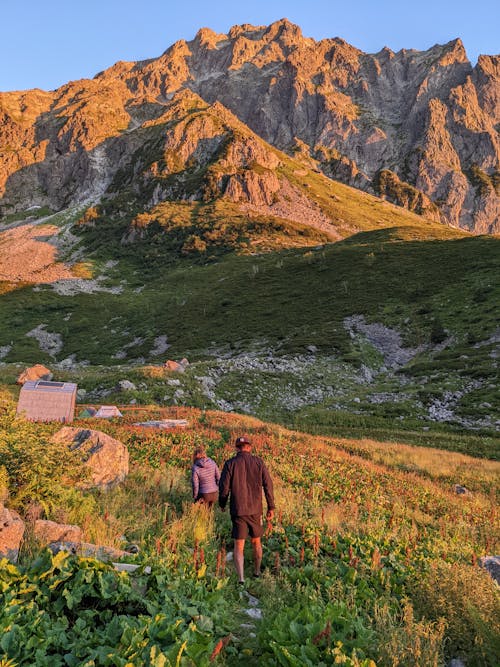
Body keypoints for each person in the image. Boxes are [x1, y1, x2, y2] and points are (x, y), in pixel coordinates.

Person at [219, 435, 275, 585]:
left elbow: (224, 488)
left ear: (237, 448)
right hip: (255, 509)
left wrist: (222, 503)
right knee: (257, 542)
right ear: (249, 447)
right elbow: (268, 485)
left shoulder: (230, 463)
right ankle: (257, 572)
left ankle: (241, 579)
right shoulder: (258, 462)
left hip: (238, 509)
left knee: (239, 545)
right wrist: (271, 506)